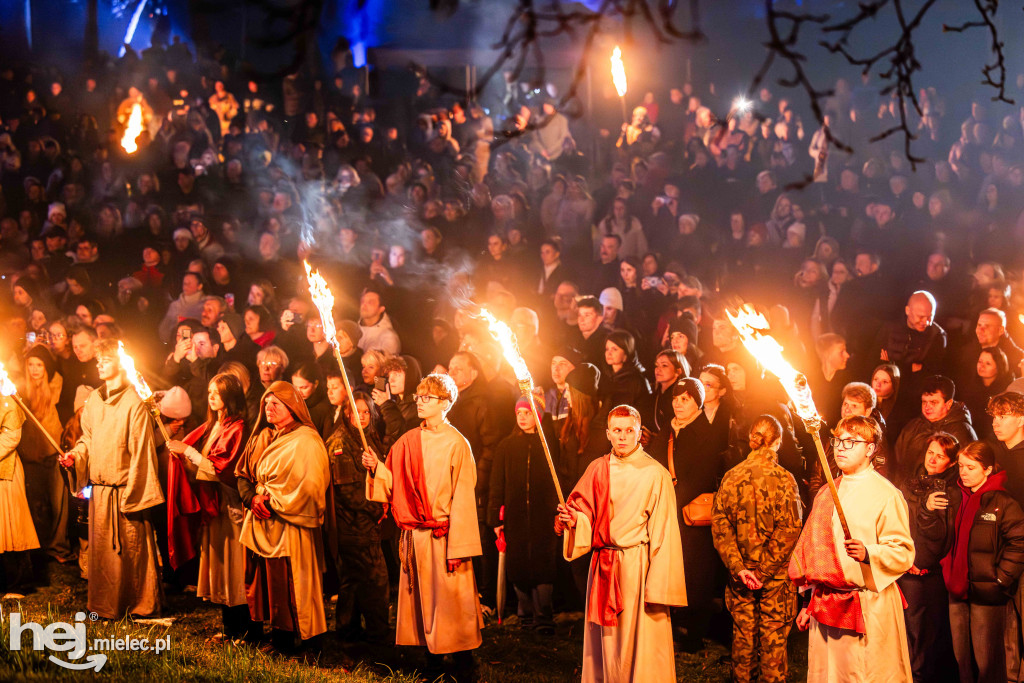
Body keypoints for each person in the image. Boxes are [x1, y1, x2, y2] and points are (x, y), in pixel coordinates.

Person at [362, 373, 483, 681]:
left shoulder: (457, 443)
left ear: (446, 403)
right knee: (425, 600)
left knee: (453, 602)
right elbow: (392, 480)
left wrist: (461, 545)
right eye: (418, 397)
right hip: (416, 535)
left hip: (445, 535)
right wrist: (376, 467)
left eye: (427, 398)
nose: (420, 402)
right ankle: (431, 659)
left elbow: (464, 497)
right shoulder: (408, 440)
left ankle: (463, 661)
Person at [555, 404, 686, 683]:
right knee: (607, 640)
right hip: (603, 564)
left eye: (629, 430)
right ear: (608, 433)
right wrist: (574, 518)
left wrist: (659, 584)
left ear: (640, 433)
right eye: (617, 430)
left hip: (637, 566)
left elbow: (664, 532)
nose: (623, 436)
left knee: (638, 637)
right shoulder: (598, 468)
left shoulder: (655, 474)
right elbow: (585, 513)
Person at [789, 415, 915, 682]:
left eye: (851, 441)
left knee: (865, 674)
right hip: (826, 605)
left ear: (870, 449)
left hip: (868, 606)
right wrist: (807, 603)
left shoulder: (886, 494)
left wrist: (870, 553)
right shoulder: (827, 492)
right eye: (837, 440)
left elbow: (903, 551)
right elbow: (815, 553)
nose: (841, 447)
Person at [59, 338, 165, 619]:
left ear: (120, 362)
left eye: (105, 360)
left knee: (130, 553)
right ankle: (105, 605)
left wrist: (134, 493)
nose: (99, 365)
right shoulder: (94, 399)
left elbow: (142, 451)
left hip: (125, 492)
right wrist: (75, 457)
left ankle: (136, 604)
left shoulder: (134, 402)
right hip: (101, 493)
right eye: (98, 360)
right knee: (104, 556)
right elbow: (89, 439)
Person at [234, 381, 330, 654]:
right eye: (266, 403)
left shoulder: (306, 441)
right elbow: (243, 474)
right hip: (262, 520)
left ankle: (307, 644)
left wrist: (272, 503)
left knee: (293, 582)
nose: (269, 408)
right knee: (270, 584)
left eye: (276, 403)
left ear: (293, 407)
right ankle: (279, 639)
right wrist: (252, 499)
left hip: (292, 524)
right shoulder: (262, 437)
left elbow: (311, 485)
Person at [712, 415, 802, 683]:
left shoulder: (731, 477)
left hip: (741, 578)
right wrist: (763, 572)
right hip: (774, 579)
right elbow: (789, 529)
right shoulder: (785, 479)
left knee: (743, 636)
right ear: (777, 442)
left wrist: (740, 568)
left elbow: (720, 527)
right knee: (773, 640)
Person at [165, 373, 254, 643]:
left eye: (217, 392)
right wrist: (182, 455)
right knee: (221, 565)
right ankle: (230, 628)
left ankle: (246, 630)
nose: (211, 396)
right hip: (214, 507)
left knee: (235, 567)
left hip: (230, 507)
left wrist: (188, 452)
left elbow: (219, 468)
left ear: (231, 396)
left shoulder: (237, 428)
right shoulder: (211, 426)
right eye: (210, 391)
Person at [646, 377, 722, 650]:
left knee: (696, 571)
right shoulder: (668, 429)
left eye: (686, 399)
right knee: (671, 566)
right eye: (676, 398)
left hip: (690, 515)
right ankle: (673, 624)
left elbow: (702, 475)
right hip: (667, 510)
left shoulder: (708, 434)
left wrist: (671, 499)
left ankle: (694, 633)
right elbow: (654, 463)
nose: (678, 404)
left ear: (698, 402)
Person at [942, 441, 1024, 683]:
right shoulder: (957, 495)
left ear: (987, 469)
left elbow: (1020, 541)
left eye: (970, 467)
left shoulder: (1001, 501)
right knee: (962, 660)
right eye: (961, 467)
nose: (963, 472)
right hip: (957, 590)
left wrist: (999, 579)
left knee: (989, 664)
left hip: (987, 593)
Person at [488, 396, 561, 634]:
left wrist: (559, 511)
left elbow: (559, 480)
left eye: (528, 412)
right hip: (516, 518)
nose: (522, 417)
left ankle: (544, 616)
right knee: (518, 566)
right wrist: (496, 518)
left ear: (538, 415)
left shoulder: (550, 447)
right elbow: (497, 484)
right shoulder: (506, 446)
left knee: (543, 566)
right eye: (519, 412)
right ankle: (525, 615)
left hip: (543, 517)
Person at [324, 389, 391, 645]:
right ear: (347, 413)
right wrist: (378, 508)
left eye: (366, 412)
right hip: (354, 527)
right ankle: (377, 635)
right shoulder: (341, 443)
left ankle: (349, 633)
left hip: (363, 525)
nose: (361, 417)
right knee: (374, 580)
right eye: (356, 412)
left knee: (353, 582)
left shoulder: (367, 439)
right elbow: (349, 492)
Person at [898, 432, 960, 683]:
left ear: (952, 463)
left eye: (941, 456)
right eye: (930, 453)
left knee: (925, 640)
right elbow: (899, 522)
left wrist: (926, 511)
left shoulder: (949, 491)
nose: (933, 460)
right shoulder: (910, 481)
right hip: (905, 567)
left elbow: (938, 539)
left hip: (925, 573)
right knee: (907, 637)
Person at [989, 392, 1024, 682]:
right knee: (1009, 632)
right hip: (1004, 555)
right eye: (994, 417)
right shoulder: (1001, 456)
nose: (996, 423)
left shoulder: (1020, 460)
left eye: (1004, 416)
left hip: (1019, 555)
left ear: (1022, 418)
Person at [893, 375, 977, 485]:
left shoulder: (962, 432)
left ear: (949, 403)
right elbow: (897, 462)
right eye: (924, 402)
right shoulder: (913, 426)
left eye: (933, 402)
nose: (927, 407)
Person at [0, 395, 40, 597]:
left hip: (6, 472)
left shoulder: (7, 401)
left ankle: (16, 583)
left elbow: (11, 438)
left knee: (10, 526)